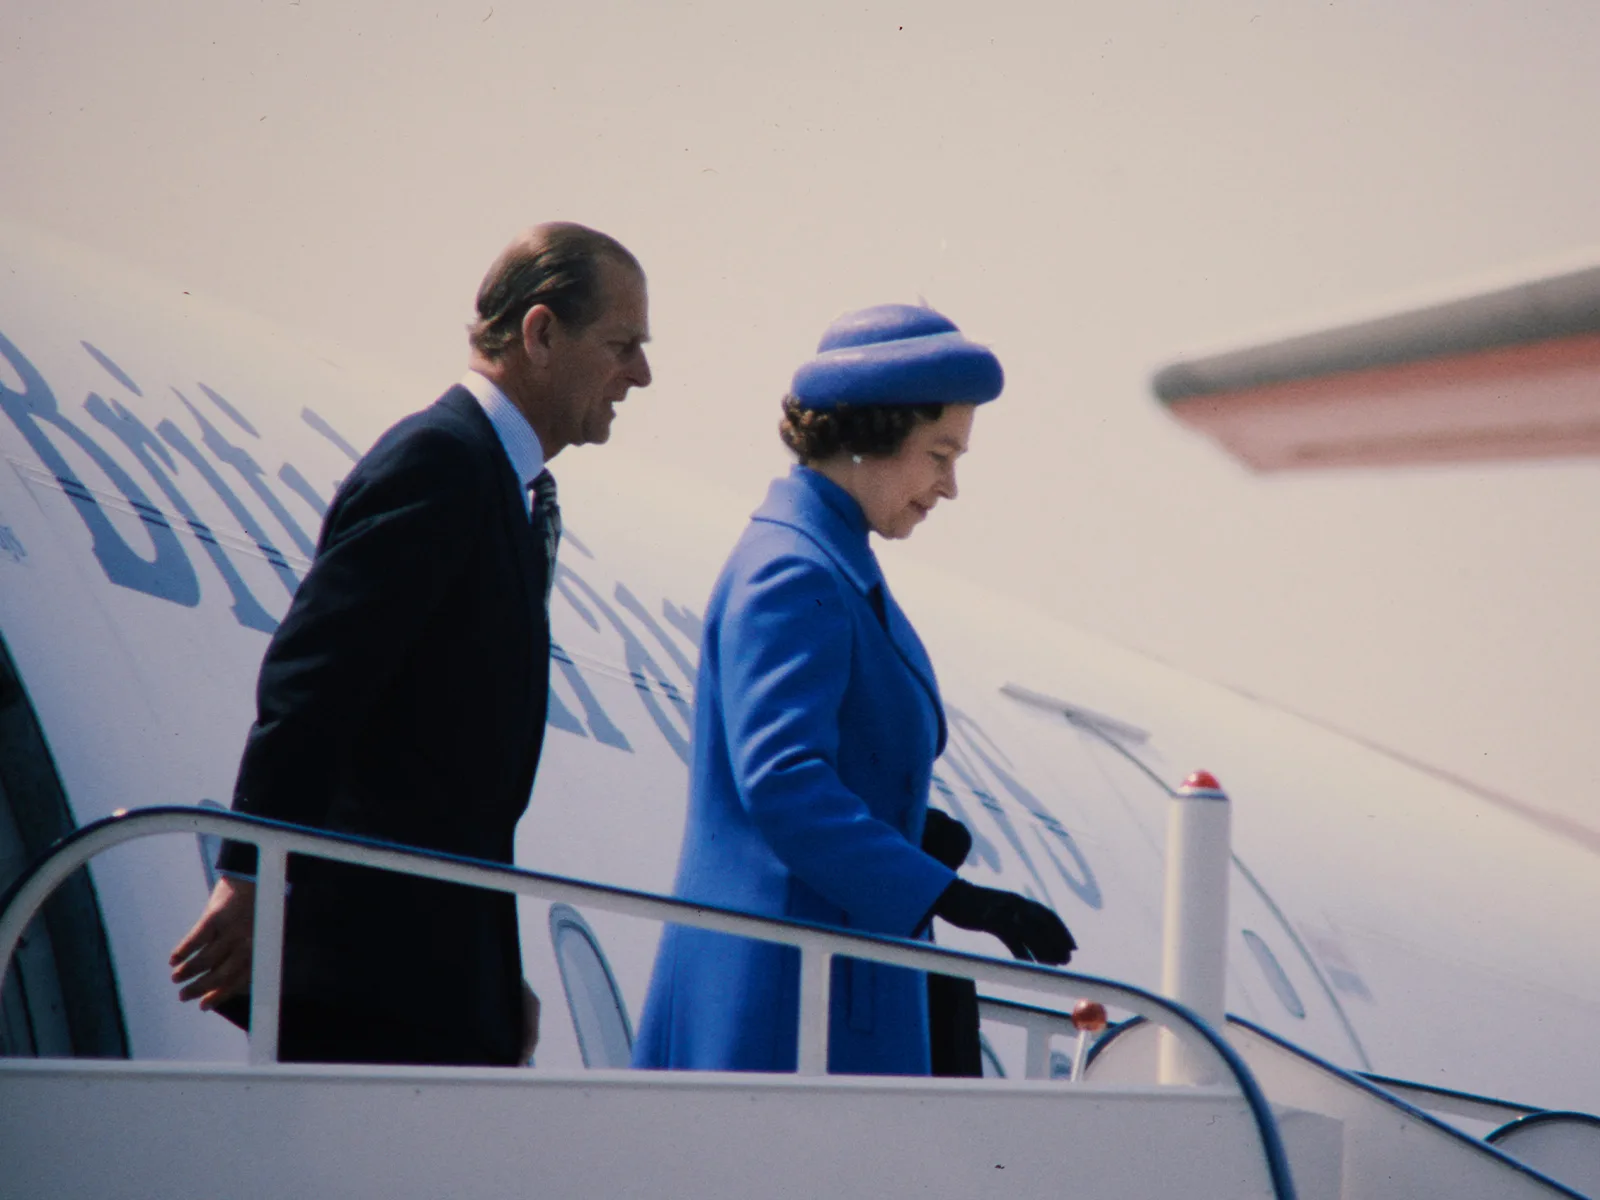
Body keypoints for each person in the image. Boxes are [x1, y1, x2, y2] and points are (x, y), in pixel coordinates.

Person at [168, 221, 652, 1066]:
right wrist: (252, 875)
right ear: (541, 334)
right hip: (366, 982)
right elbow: (312, 684)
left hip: (430, 971)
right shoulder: (440, 463)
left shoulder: (500, 485)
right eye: (621, 344)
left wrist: (489, 971)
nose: (641, 374)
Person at [632, 303, 1074, 1077]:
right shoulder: (794, 571)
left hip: (825, 979)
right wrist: (953, 897)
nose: (950, 486)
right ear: (874, 436)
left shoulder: (827, 564)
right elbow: (785, 784)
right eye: (940, 454)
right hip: (782, 998)